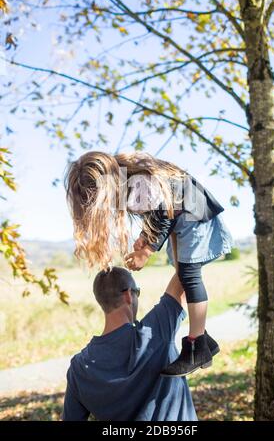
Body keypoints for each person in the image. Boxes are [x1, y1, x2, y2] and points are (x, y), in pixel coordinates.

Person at [64, 151, 234, 377]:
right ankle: (203, 340)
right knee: (184, 275)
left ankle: (197, 346)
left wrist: (146, 251)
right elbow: (157, 213)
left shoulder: (136, 183)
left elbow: (165, 214)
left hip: (193, 216)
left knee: (189, 276)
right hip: (184, 220)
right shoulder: (130, 183)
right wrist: (145, 237)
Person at [62, 266, 198, 421]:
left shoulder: (79, 368)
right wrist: (152, 245)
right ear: (128, 295)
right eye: (137, 292)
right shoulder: (155, 332)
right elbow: (187, 269)